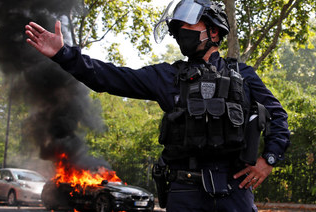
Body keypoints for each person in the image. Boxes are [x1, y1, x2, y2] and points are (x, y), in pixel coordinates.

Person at [25, 0, 290, 211]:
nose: (180, 33)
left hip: (235, 189)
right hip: (185, 191)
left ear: (214, 30)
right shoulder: (167, 76)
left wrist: (268, 160)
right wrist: (64, 54)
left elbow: (277, 116)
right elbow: (110, 77)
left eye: (188, 24)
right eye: (177, 29)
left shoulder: (243, 74)